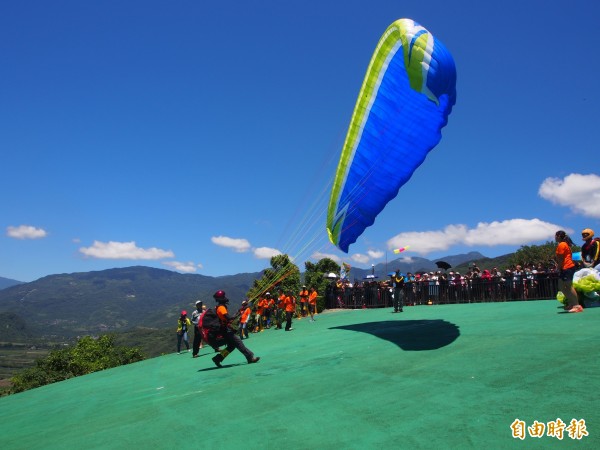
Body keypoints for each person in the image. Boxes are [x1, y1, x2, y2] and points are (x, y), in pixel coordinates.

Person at [211, 290, 260, 368]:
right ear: (220, 298)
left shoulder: (220, 307)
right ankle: (250, 357)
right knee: (238, 342)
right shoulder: (221, 307)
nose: (225, 298)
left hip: (224, 330)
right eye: (223, 296)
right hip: (226, 330)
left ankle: (217, 358)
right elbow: (228, 318)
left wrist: (238, 313)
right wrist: (238, 314)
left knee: (231, 346)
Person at [554, 230, 582, 313]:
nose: (555, 237)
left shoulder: (562, 244)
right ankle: (571, 303)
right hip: (564, 268)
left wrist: (558, 267)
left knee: (569, 287)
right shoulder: (562, 244)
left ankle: (577, 306)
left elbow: (561, 259)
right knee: (561, 286)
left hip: (567, 267)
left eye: (555, 235)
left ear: (558, 236)